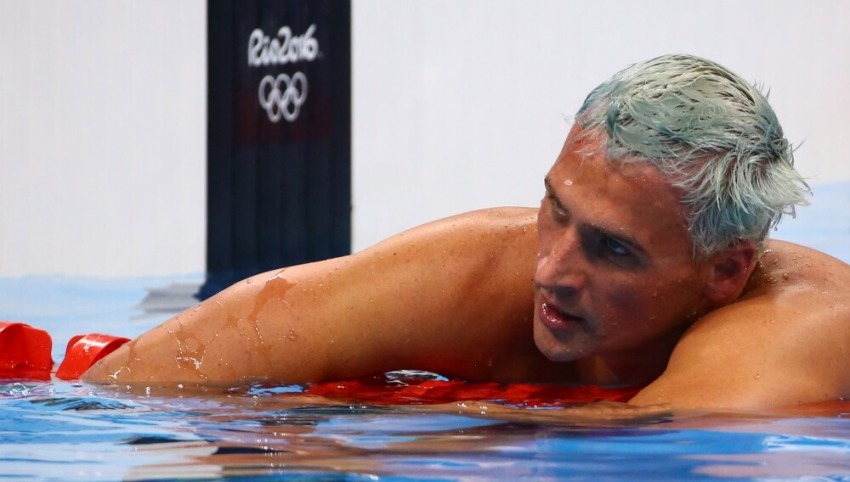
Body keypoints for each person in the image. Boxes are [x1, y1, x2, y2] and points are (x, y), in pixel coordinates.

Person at [83, 54, 850, 411]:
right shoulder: (481, 269)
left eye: (612, 248)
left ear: (723, 271)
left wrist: (387, 421)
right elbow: (138, 382)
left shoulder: (789, 334)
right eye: (556, 209)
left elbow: (648, 452)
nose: (551, 269)